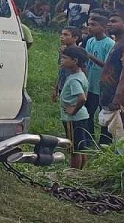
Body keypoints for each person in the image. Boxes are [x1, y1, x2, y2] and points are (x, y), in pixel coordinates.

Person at [59, 45, 93, 170]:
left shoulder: (74, 80)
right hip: (82, 116)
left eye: (65, 58)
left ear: (75, 61)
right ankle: (81, 171)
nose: (62, 60)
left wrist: (73, 110)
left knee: (74, 149)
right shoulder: (81, 75)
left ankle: (73, 173)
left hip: (73, 118)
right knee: (80, 146)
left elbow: (82, 98)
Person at [84, 10, 115, 140]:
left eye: (93, 25)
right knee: (88, 113)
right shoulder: (90, 41)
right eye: (89, 24)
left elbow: (108, 66)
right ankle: (89, 139)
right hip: (90, 85)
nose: (89, 27)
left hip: (103, 86)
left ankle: (105, 141)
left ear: (103, 27)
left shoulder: (110, 44)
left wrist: (90, 56)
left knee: (105, 114)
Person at [97, 11, 124, 145]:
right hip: (109, 98)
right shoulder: (117, 43)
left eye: (114, 21)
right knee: (108, 138)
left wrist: (117, 98)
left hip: (117, 102)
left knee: (118, 140)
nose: (109, 24)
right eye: (109, 21)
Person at [53, 27, 79, 104]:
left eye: (66, 34)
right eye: (61, 34)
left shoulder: (78, 53)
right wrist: (56, 88)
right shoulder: (63, 51)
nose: (61, 37)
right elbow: (61, 70)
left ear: (75, 38)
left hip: (73, 88)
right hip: (63, 85)